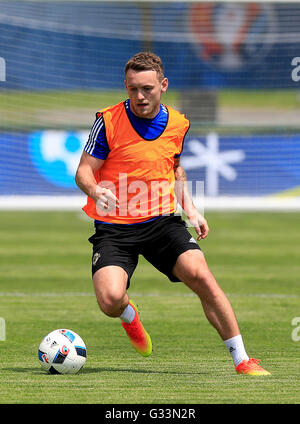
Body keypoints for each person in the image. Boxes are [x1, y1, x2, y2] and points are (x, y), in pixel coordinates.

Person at [75, 52, 270, 376]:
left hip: (162, 222)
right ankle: (129, 315)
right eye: (134, 88)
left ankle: (242, 360)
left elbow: (174, 167)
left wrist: (191, 209)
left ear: (163, 85)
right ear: (126, 86)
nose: (140, 96)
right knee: (110, 300)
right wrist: (96, 191)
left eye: (148, 88)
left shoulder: (178, 124)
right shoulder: (108, 121)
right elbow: (83, 172)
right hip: (115, 228)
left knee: (202, 276)